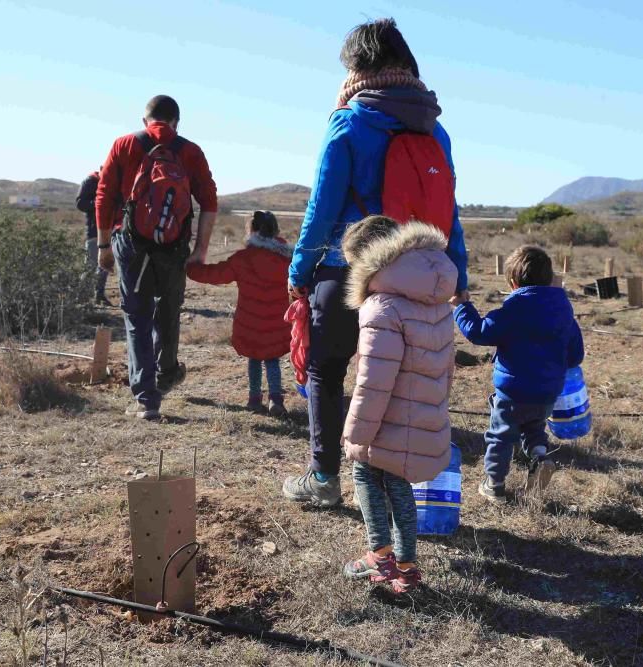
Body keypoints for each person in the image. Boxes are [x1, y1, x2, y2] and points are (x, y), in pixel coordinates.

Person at [283, 18, 469, 506]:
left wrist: (299, 271)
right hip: (416, 275)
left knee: (327, 370)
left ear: (358, 66)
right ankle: (392, 482)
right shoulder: (436, 129)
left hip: (349, 271)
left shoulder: (348, 121)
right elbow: (449, 211)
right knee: (397, 378)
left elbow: (321, 207)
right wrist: (459, 276)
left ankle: (324, 478)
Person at [340, 216, 456, 592]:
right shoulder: (435, 296)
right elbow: (446, 365)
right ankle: (406, 567)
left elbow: (373, 382)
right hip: (421, 411)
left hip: (387, 420)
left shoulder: (381, 306)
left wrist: (356, 435)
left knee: (364, 472)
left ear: (367, 260)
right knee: (400, 483)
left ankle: (380, 555)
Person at [95, 94, 218, 420]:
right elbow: (209, 203)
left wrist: (103, 245)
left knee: (137, 317)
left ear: (144, 120)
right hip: (174, 248)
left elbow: (104, 196)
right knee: (168, 312)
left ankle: (147, 399)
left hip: (131, 244)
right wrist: (200, 251)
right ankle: (166, 373)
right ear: (177, 122)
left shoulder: (124, 145)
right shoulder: (189, 152)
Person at [453, 245, 585, 503]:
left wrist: (462, 306)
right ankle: (540, 457)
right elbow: (576, 354)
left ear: (513, 283)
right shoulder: (564, 311)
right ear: (550, 279)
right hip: (547, 392)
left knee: (500, 436)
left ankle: (494, 484)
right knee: (533, 428)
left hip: (513, 393)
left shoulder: (513, 310)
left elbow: (479, 332)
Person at [187, 211, 291, 416]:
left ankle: (254, 399)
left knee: (254, 358)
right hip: (277, 322)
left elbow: (216, 274)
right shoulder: (287, 259)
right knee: (272, 360)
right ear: (276, 230)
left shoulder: (242, 258)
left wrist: (190, 269)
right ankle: (276, 400)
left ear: (251, 230)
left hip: (249, 322)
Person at [76, 169, 111, 306]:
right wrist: (99, 204)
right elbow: (80, 203)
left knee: (105, 265)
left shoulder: (112, 182)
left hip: (109, 230)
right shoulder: (90, 181)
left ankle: (99, 294)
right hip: (94, 231)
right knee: (90, 265)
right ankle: (81, 298)